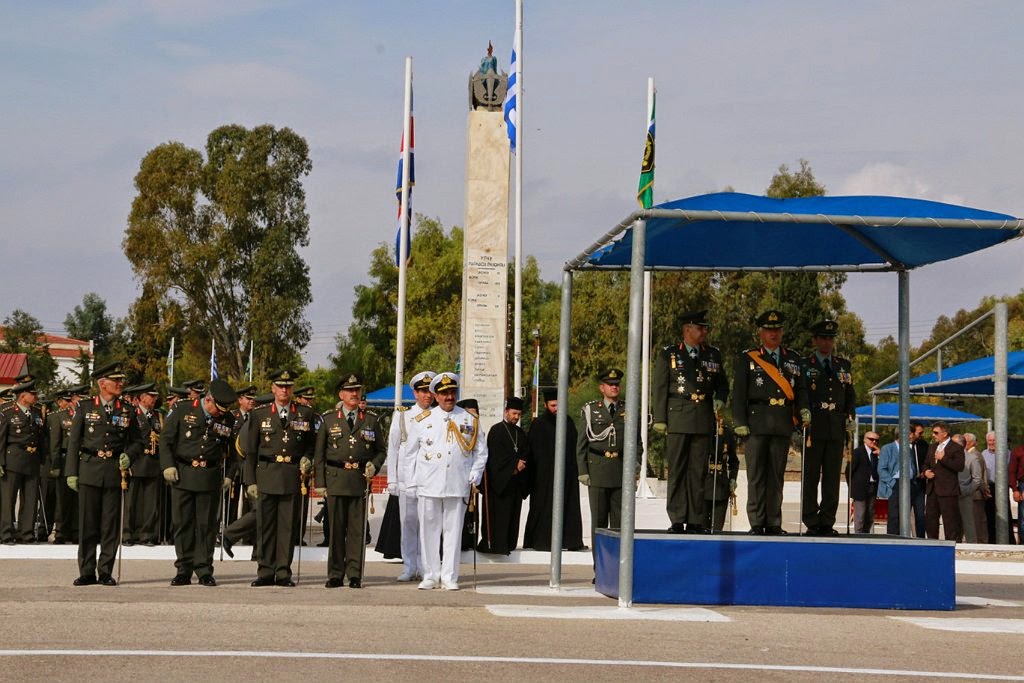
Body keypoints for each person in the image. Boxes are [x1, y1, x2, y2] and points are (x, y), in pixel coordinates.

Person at [66, 362, 145, 586]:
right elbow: (73, 443)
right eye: (116, 380)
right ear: (102, 384)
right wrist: (71, 472)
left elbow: (138, 441)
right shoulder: (84, 407)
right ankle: (87, 571)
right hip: (90, 468)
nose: (120, 384)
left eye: (121, 380)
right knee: (88, 524)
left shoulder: (127, 410)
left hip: (113, 471)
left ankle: (106, 571)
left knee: (110, 525)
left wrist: (129, 455)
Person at [407, 372, 487, 591]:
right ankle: (430, 575)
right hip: (429, 483)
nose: (449, 397)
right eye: (444, 394)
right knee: (429, 532)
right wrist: (411, 483)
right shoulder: (422, 420)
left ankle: (450, 576)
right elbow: (410, 454)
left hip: (457, 483)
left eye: (452, 392)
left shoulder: (469, 419)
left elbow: (481, 451)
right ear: (435, 395)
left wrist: (475, 473)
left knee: (453, 532)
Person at [731, 310, 809, 536]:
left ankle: (773, 521)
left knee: (776, 476)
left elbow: (801, 389)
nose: (773, 334)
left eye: (776, 330)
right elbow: (738, 394)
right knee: (756, 476)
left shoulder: (793, 359)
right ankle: (756, 523)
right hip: (756, 424)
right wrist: (739, 421)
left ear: (781, 332)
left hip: (782, 423)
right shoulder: (749, 358)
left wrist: (803, 411)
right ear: (761, 332)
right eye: (768, 330)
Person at [651, 310, 728, 534]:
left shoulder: (713, 354)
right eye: (700, 328)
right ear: (687, 329)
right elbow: (660, 387)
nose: (704, 331)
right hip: (678, 414)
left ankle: (695, 518)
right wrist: (660, 418)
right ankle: (677, 517)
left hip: (702, 417)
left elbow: (722, 384)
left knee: (697, 471)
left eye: (705, 328)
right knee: (677, 469)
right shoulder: (670, 354)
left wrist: (721, 399)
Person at [241, 369, 316, 587]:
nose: (284, 390)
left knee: (287, 527)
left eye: (288, 386)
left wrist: (307, 459)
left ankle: (283, 572)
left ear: (292, 389)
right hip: (266, 473)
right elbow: (251, 451)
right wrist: (250, 480)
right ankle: (265, 571)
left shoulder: (305, 414)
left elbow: (311, 445)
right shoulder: (259, 414)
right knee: (265, 527)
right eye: (280, 386)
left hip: (291, 475)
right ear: (273, 388)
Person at [159, 380, 237, 586]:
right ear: (209, 399)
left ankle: (204, 569)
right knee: (183, 523)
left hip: (210, 476)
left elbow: (233, 452)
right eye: (218, 409)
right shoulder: (182, 409)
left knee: (207, 526)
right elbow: (166, 439)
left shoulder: (228, 419)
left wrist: (229, 475)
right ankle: (183, 569)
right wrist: (167, 465)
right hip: (183, 473)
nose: (220, 414)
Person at [314, 373, 386, 588]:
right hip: (335, 479)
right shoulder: (328, 419)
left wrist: (374, 465)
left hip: (358, 480)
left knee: (357, 531)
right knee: (335, 530)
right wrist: (320, 483)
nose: (354, 394)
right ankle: (335, 574)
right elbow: (319, 455)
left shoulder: (371, 420)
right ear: (341, 394)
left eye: (357, 390)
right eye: (350, 391)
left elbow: (381, 451)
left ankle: (354, 574)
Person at [802, 320, 855, 536]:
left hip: (836, 425)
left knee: (832, 477)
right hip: (814, 426)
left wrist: (850, 414)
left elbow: (850, 393)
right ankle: (811, 521)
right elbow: (803, 393)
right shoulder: (806, 364)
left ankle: (827, 521)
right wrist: (803, 412)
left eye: (830, 338)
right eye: (823, 338)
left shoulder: (843, 365)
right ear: (815, 340)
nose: (827, 342)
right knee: (811, 476)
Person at [577, 368, 639, 550]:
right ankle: (600, 568)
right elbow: (582, 443)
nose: (614, 387)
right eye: (610, 385)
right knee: (599, 523)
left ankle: (618, 568)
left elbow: (637, 443)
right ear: (601, 388)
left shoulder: (629, 409)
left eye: (617, 384)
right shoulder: (590, 410)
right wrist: (582, 471)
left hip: (621, 471)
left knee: (620, 525)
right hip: (598, 471)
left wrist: (635, 468)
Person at [384, 371, 435, 581]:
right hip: (407, 476)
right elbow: (393, 448)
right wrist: (392, 479)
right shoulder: (403, 415)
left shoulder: (438, 415)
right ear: (415, 393)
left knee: (428, 523)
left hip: (428, 478)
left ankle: (425, 567)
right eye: (422, 391)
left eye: (429, 391)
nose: (426, 396)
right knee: (407, 523)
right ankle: (409, 565)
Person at [523, 387, 585, 551]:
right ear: (546, 405)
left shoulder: (568, 422)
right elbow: (533, 451)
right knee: (544, 507)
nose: (556, 409)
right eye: (553, 406)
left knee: (568, 505)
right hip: (544, 477)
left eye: (559, 405)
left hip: (567, 474)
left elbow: (574, 448)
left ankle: (570, 541)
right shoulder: (539, 424)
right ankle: (541, 541)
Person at [477, 397, 529, 555]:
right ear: (506, 412)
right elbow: (495, 458)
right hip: (498, 484)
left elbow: (526, 453)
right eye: (514, 413)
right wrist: (513, 467)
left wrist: (520, 465)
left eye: (519, 414)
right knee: (498, 518)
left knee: (512, 518)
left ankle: (509, 544)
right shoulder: (497, 430)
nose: (516, 417)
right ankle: (494, 545)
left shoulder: (520, 433)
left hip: (514, 485)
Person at [0, 376, 47, 544]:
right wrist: (1, 461)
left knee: (30, 498)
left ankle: (26, 533)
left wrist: (43, 459)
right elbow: (1, 439)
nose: (35, 397)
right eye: (32, 394)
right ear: (22, 396)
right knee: (9, 499)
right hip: (13, 459)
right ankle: (6, 533)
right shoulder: (7, 412)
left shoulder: (36, 413)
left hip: (32, 459)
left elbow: (41, 438)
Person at [221, 384, 258, 558]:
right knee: (258, 510)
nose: (252, 401)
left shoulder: (257, 417)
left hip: (255, 469)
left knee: (258, 510)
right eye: (248, 398)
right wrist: (230, 473)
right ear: (240, 400)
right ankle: (229, 534)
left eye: (253, 399)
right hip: (241, 468)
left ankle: (257, 547)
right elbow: (235, 448)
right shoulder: (232, 417)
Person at [123, 384, 162, 546]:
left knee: (151, 502)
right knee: (131, 501)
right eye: (150, 396)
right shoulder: (131, 414)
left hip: (152, 463)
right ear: (141, 397)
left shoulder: (157, 416)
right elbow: (126, 439)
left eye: (155, 396)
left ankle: (147, 534)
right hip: (136, 462)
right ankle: (127, 533)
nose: (154, 399)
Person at [48, 385, 86, 544]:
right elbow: (55, 444)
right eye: (80, 398)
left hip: (82, 460)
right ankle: (62, 531)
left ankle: (77, 531)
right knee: (63, 498)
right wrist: (55, 465)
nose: (83, 400)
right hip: (64, 460)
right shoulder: (60, 416)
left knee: (79, 498)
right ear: (73, 399)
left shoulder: (88, 415)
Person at [923, 421, 964, 540]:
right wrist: (926, 472)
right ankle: (932, 544)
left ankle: (951, 545)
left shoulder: (956, 448)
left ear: (945, 433)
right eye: (933, 432)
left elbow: (959, 466)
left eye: (936, 433)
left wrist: (943, 458)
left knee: (950, 520)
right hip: (932, 489)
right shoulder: (932, 447)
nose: (933, 435)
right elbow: (925, 463)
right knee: (930, 519)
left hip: (948, 491)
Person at [703, 423, 738, 532]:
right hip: (703, 485)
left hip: (721, 485)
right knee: (702, 528)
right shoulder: (704, 429)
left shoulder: (727, 433)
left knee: (717, 529)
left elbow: (734, 461)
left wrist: (732, 479)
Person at [848, 431, 880, 534]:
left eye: (876, 440)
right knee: (860, 515)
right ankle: (858, 535)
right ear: (865, 439)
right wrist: (852, 486)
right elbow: (849, 471)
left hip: (873, 486)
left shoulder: (877, 453)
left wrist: (880, 455)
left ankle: (866, 535)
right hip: (860, 488)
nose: (874, 442)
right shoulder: (858, 452)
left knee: (870, 515)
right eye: (871, 439)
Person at [957, 433, 984, 543]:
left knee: (968, 523)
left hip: (965, 495)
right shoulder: (947, 457)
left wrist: (967, 491)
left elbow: (977, 479)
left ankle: (972, 546)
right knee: (954, 523)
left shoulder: (972, 458)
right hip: (950, 495)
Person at [1010, 441, 1024, 544]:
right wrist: (1015, 490)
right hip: (1022, 485)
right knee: (1023, 520)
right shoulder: (1018, 451)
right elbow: (1012, 471)